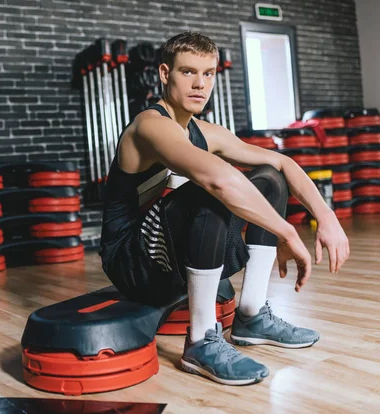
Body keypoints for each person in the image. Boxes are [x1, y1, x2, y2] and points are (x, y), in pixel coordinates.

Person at [98, 31, 350, 385]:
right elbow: (217, 180)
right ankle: (201, 342)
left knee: (268, 177)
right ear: (164, 74)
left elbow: (283, 163)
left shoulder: (206, 131)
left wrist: (326, 217)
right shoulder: (150, 126)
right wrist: (287, 231)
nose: (200, 84)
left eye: (209, 73)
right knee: (210, 187)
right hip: (134, 262)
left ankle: (251, 315)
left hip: (171, 253)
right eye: (188, 72)